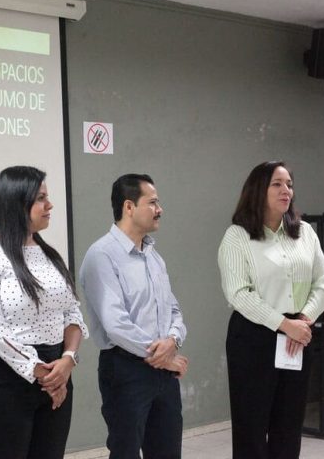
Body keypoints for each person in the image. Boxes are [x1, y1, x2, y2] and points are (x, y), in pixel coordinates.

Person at [0, 166, 88, 459]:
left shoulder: (48, 254)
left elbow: (72, 313)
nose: (50, 205)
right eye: (41, 198)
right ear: (16, 203)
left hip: (56, 369)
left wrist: (68, 360)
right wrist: (43, 373)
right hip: (5, 377)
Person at [218, 161, 324, 459]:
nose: (286, 191)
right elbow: (239, 293)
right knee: (251, 426)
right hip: (254, 336)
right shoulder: (237, 236)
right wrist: (284, 324)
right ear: (258, 190)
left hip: (299, 334)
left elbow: (322, 284)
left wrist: (302, 321)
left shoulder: (305, 233)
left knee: (289, 424)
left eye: (289, 184)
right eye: (277, 184)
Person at [80, 173, 188, 459]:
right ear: (129, 207)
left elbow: (174, 310)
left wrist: (173, 340)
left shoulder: (153, 256)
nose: (159, 209)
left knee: (167, 452)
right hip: (125, 370)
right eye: (152, 202)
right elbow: (116, 325)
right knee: (125, 452)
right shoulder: (101, 255)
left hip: (163, 370)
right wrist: (163, 356)